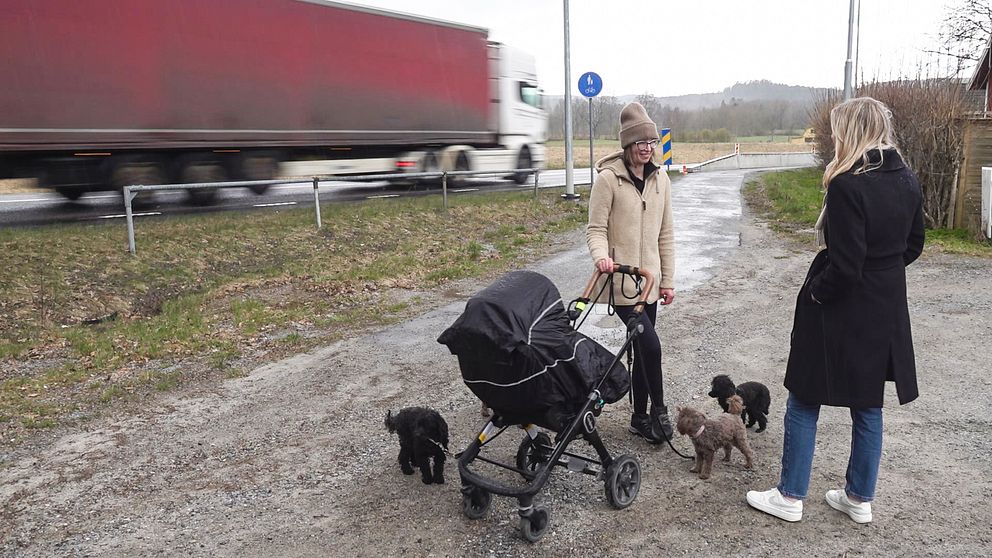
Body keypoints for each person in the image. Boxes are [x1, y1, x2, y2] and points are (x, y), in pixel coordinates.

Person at [746, 96, 925, 523]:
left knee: (804, 397)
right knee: (868, 404)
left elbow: (845, 266)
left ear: (854, 131)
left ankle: (789, 497)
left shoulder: (848, 184)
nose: (834, 136)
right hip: (884, 307)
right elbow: (913, 246)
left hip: (841, 309)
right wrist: (882, 275)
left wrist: (816, 294)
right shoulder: (907, 179)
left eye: (838, 129)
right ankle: (859, 499)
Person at [586, 101, 676, 443]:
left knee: (641, 349)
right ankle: (660, 411)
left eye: (651, 142)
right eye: (640, 142)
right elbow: (595, 229)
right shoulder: (608, 180)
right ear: (627, 145)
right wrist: (600, 257)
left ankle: (639, 417)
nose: (646, 148)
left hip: (649, 284)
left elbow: (666, 233)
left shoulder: (660, 180)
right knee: (650, 346)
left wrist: (667, 280)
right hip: (621, 283)